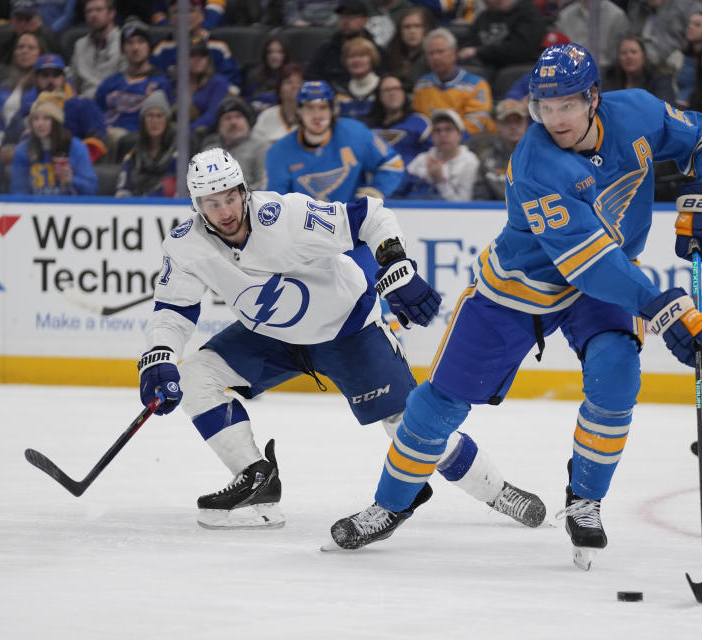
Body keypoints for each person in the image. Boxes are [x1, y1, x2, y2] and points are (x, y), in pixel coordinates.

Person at [329, 43, 702, 568]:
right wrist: (660, 304)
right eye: (545, 106)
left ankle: (584, 501)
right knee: (438, 406)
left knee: (617, 378)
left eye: (567, 104)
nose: (555, 118)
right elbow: (585, 263)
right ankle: (389, 506)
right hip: (519, 290)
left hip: (603, 285)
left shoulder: (636, 110)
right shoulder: (535, 163)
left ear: (593, 97)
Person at [136, 147, 546, 529]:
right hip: (272, 337)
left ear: (244, 191)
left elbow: (370, 215)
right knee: (196, 377)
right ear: (196, 205)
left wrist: (394, 263)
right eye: (211, 203)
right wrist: (160, 354)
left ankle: (498, 492)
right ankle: (255, 478)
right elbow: (174, 309)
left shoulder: (285, 216)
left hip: (348, 329)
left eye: (230, 197)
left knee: (409, 424)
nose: (225, 211)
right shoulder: (186, 245)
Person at [265, 80, 405, 203]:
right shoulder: (278, 152)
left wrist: (378, 189)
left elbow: (393, 163)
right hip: (302, 228)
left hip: (352, 224)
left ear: (332, 110)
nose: (317, 115)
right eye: (309, 108)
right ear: (299, 111)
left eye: (323, 107)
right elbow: (275, 203)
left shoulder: (355, 133)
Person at [9, 91, 99, 195]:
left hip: (69, 207)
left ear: (56, 122)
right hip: (35, 206)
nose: (40, 124)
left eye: (46, 118)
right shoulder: (23, 150)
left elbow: (92, 189)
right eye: (35, 119)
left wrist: (72, 180)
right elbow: (18, 190)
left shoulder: (75, 147)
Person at [95, 21, 174, 139]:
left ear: (149, 47)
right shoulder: (110, 82)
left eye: (141, 42)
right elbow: (95, 112)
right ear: (122, 50)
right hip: (104, 135)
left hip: (136, 139)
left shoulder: (160, 83)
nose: (135, 48)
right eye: (129, 43)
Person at [412, 28, 497, 135]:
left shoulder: (477, 85)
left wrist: (446, 137)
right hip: (432, 142)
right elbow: (419, 120)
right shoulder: (421, 85)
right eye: (431, 53)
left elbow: (477, 123)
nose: (435, 57)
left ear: (454, 53)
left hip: (470, 144)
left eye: (440, 51)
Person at [368, 74, 432, 196]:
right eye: (387, 90)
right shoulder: (367, 127)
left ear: (404, 93)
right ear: (379, 96)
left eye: (396, 89)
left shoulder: (420, 122)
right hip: (374, 186)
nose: (392, 93)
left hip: (411, 188)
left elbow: (431, 155)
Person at [456, 0, 547, 76]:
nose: (484, 3)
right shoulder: (485, 16)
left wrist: (478, 51)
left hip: (513, 67)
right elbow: (468, 41)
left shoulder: (529, 14)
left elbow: (520, 50)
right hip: (482, 63)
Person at [404, 108, 479, 200]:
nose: (442, 134)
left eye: (448, 129)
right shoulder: (422, 159)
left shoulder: (470, 162)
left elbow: (465, 205)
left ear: (460, 134)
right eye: (437, 130)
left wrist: (440, 182)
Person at [115, 90, 178, 197]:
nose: (154, 121)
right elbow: (123, 189)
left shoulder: (177, 154)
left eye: (159, 116)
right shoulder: (133, 153)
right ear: (142, 120)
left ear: (167, 121)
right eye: (150, 116)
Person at [200, 96, 266, 190]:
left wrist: (239, 196)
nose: (233, 122)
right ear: (219, 125)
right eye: (227, 118)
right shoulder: (209, 151)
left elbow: (264, 183)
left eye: (238, 117)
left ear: (247, 121)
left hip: (252, 201)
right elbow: (201, 185)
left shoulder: (260, 146)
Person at [473, 98, 528, 200]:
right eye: (507, 121)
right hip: (493, 213)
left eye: (518, 121)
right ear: (497, 125)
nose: (513, 126)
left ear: (526, 123)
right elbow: (480, 197)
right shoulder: (486, 156)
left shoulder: (539, 156)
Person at [554, 0, 632, 69]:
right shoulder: (565, 16)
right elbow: (559, 51)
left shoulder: (617, 16)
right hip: (573, 73)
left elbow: (620, 56)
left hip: (608, 75)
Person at [71, 0, 123, 100]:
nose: (93, 15)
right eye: (89, 11)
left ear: (111, 14)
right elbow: (74, 83)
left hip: (112, 101)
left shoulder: (124, 42)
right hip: (83, 102)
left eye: (99, 10)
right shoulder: (80, 45)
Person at [601, 35, 677, 104]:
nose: (628, 56)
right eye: (623, 53)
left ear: (644, 56)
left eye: (634, 52)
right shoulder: (610, 77)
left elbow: (665, 108)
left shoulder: (660, 78)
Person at [251, 63, 304, 145]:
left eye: (299, 82)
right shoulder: (267, 116)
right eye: (289, 82)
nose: (295, 86)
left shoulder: (310, 116)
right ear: (279, 89)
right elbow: (255, 145)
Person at [335, 37, 383, 122]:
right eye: (351, 56)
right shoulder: (339, 92)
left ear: (372, 59)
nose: (356, 60)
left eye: (362, 55)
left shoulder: (384, 88)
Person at [386, 5, 435, 85]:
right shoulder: (391, 55)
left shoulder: (433, 57)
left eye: (418, 26)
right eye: (407, 27)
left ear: (427, 28)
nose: (412, 31)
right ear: (400, 31)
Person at [242, 34, 291, 113]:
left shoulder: (291, 76)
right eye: (270, 52)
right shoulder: (254, 75)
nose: (274, 56)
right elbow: (248, 100)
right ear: (265, 55)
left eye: (279, 52)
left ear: (285, 55)